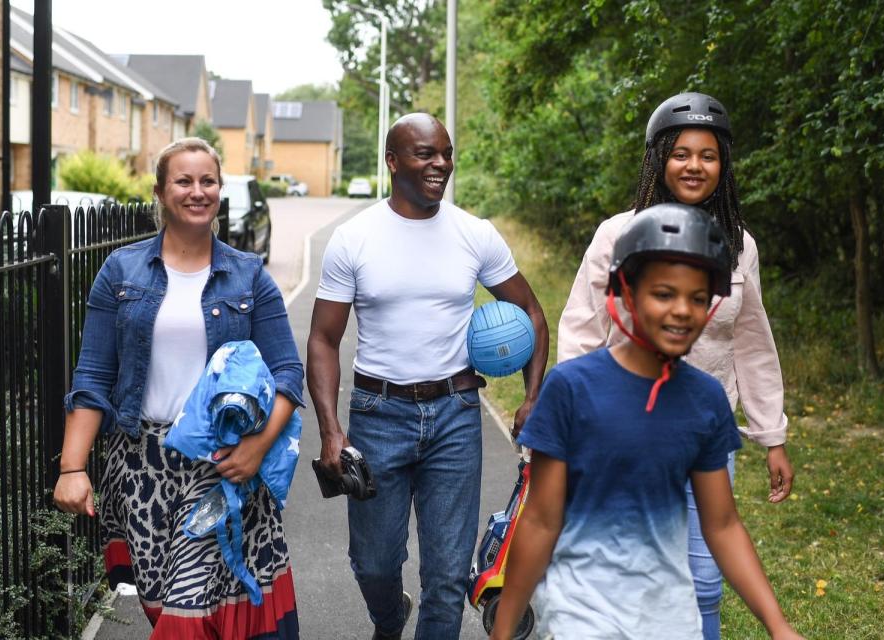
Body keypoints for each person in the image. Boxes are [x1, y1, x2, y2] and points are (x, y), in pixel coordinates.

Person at [491, 203, 803, 640]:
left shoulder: (706, 400)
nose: (682, 310)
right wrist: (502, 630)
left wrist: (778, 626)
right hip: (582, 612)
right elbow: (541, 520)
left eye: (698, 298)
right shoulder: (570, 389)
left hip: (668, 616)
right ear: (625, 293)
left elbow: (722, 524)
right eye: (664, 294)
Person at [556, 92, 795, 639]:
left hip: (703, 434)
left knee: (705, 584)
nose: (694, 166)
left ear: (723, 164)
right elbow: (580, 333)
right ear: (659, 158)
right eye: (682, 153)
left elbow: (752, 342)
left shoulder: (738, 246)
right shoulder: (616, 236)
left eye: (708, 155)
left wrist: (771, 433)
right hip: (620, 435)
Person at [306, 113, 549, 640]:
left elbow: (530, 310)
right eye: (425, 153)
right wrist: (330, 431)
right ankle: (390, 619)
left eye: (446, 152)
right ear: (393, 161)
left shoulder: (474, 234)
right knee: (374, 564)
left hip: (456, 416)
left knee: (445, 577)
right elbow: (324, 338)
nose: (440, 163)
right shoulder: (355, 239)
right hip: (377, 415)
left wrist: (533, 395)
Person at [53, 137, 304, 639]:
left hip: (221, 465)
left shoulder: (248, 277)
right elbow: (93, 377)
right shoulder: (120, 271)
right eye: (184, 181)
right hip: (140, 466)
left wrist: (255, 448)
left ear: (219, 190)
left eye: (207, 181)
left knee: (188, 615)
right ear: (161, 192)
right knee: (161, 605)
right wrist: (72, 467)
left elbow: (287, 374)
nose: (197, 191)